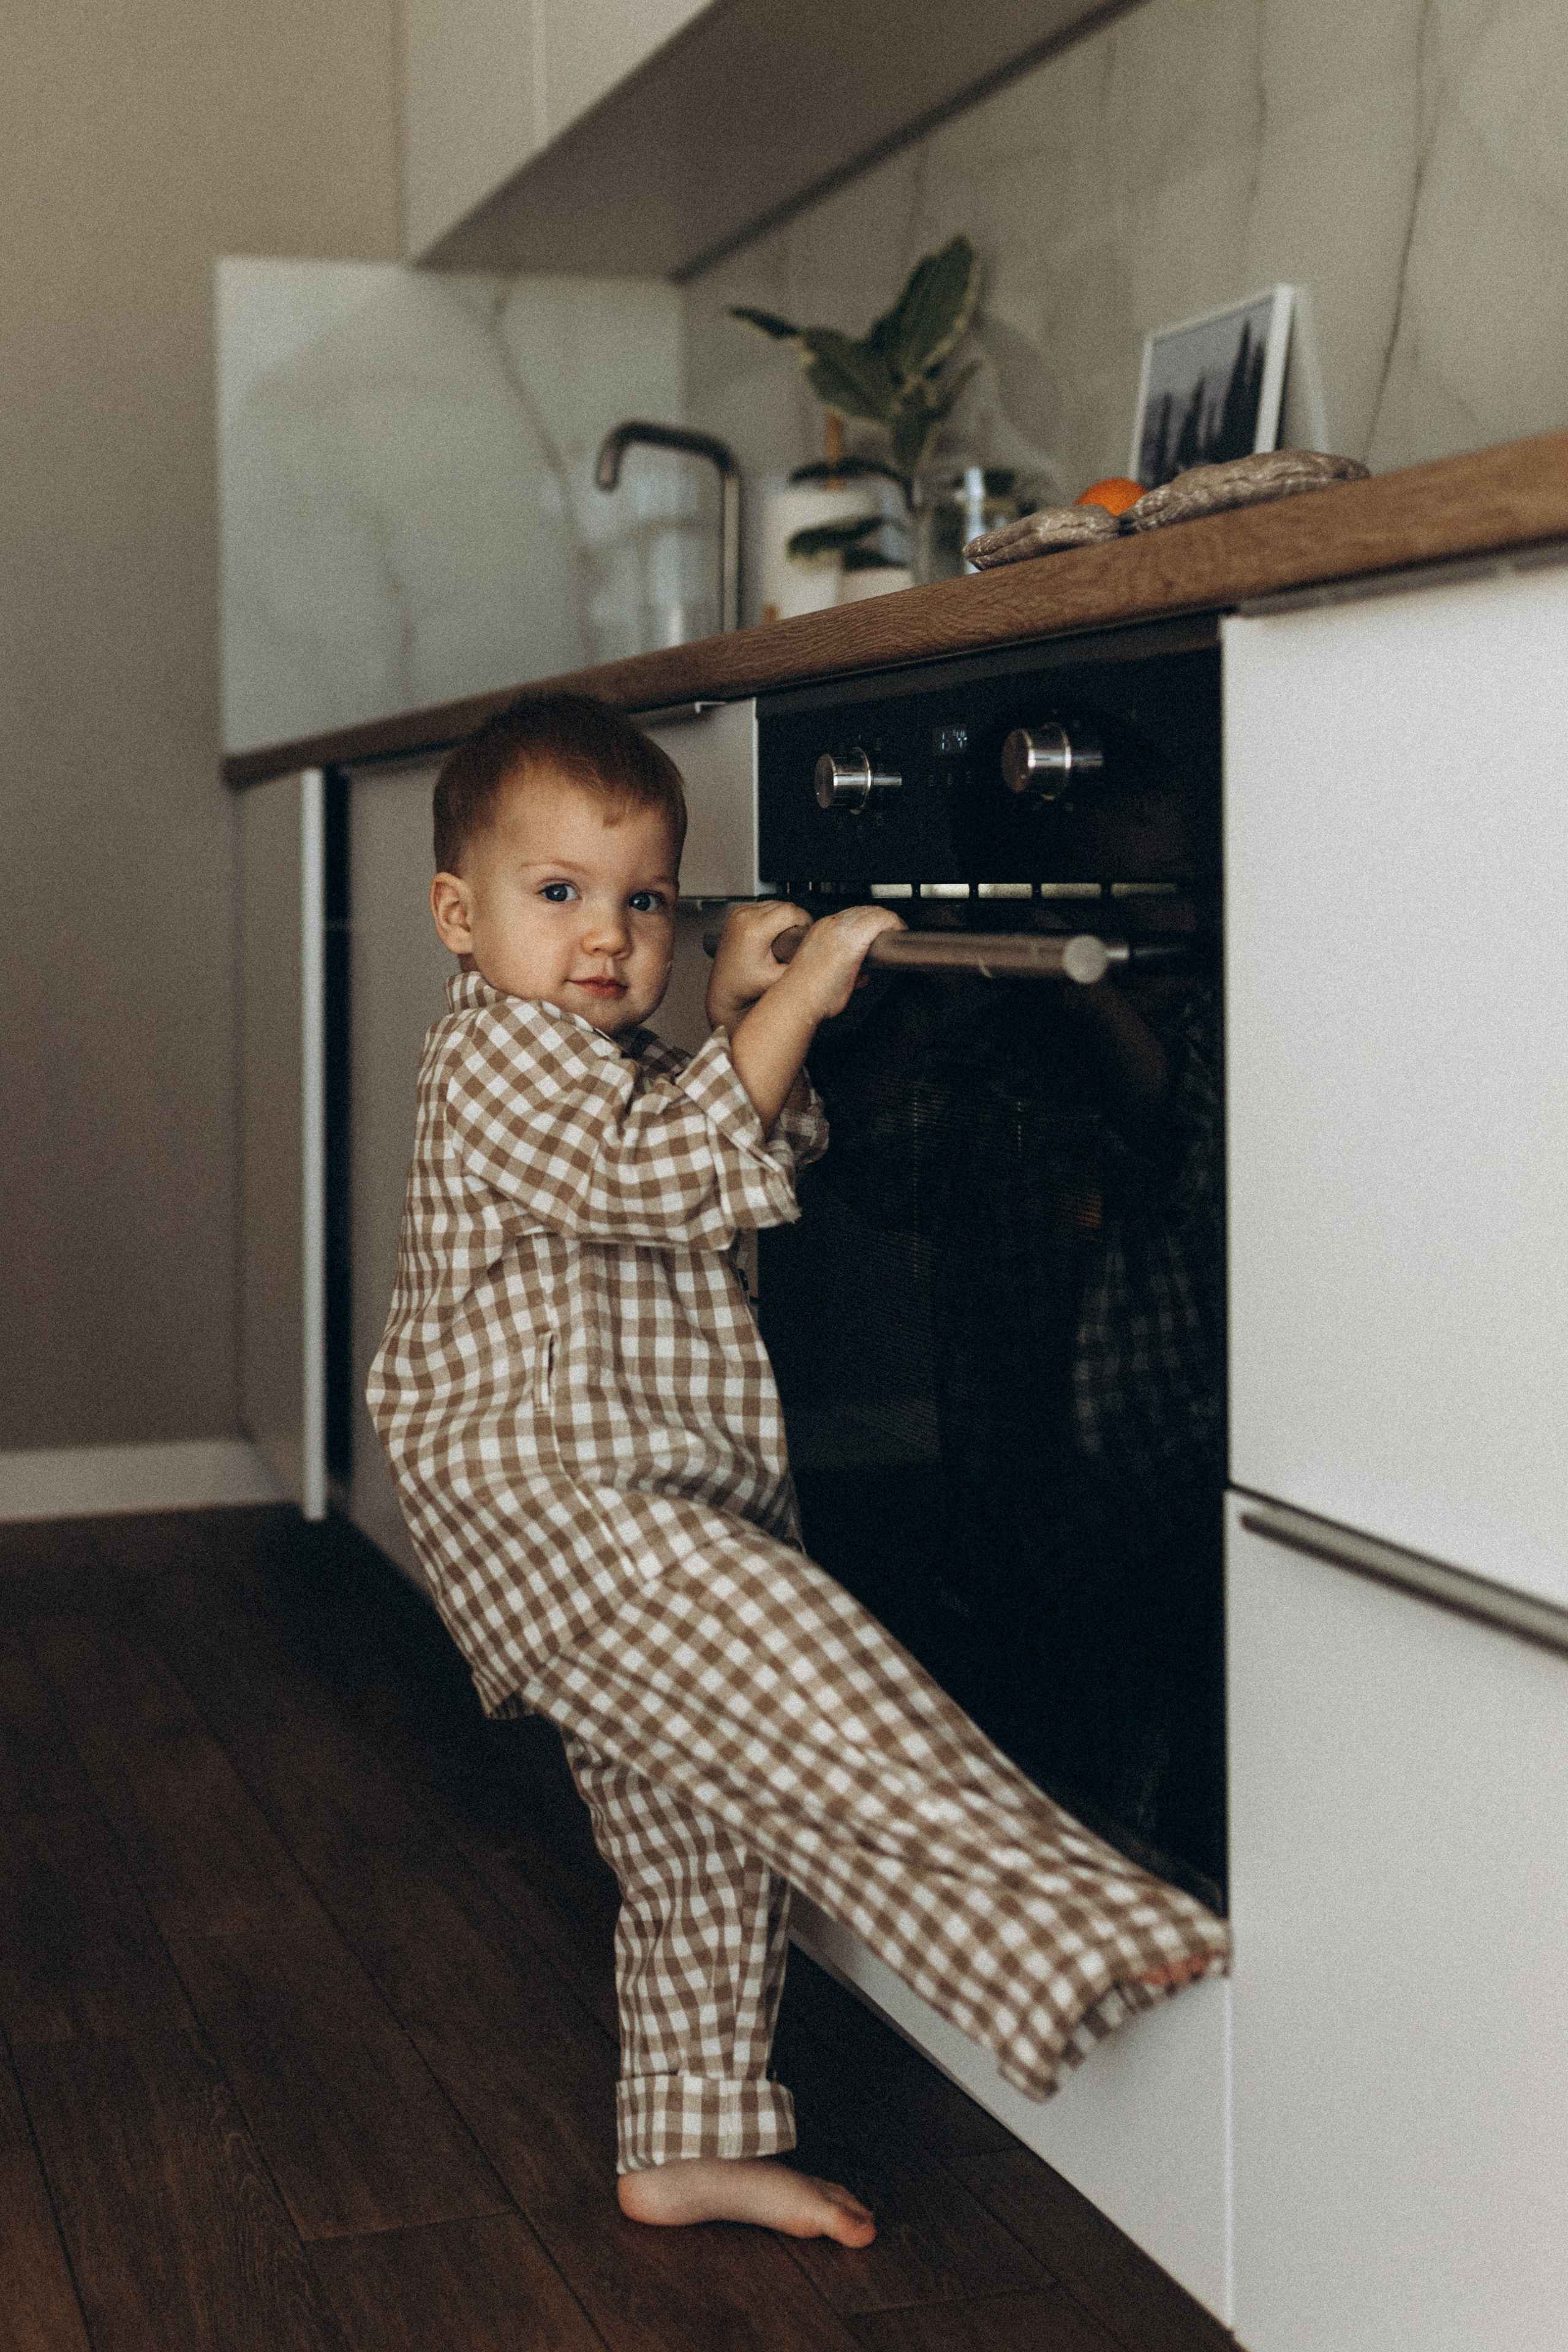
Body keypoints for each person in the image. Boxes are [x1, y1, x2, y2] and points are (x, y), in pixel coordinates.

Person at [367, 692, 1229, 2247]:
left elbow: (754, 1146)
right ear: (458, 915)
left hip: (643, 1501)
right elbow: (666, 1177)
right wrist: (807, 997)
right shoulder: (496, 1056)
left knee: (696, 1841)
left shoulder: (614, 1060)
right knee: (818, 1677)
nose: (606, 936)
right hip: (558, 1509)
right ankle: (1060, 1921)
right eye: (557, 893)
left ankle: (687, 2139)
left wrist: (739, 1019)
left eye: (645, 901)